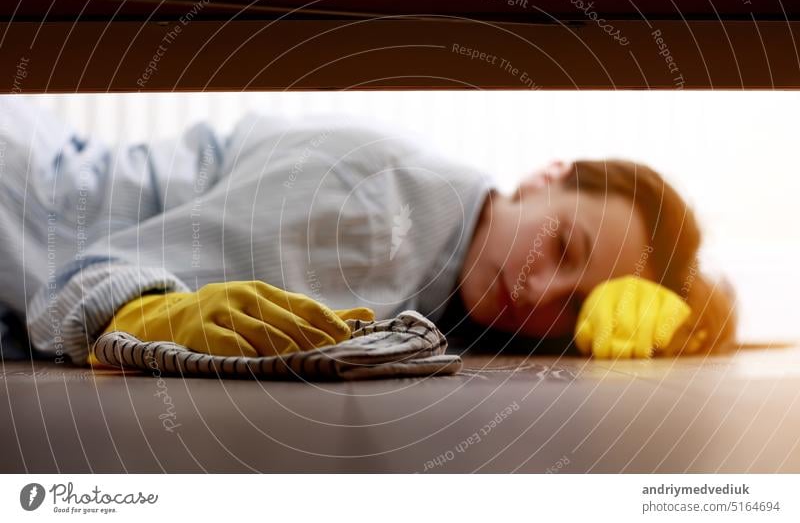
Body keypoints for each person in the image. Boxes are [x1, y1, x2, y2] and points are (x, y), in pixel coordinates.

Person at [0, 96, 735, 365]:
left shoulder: (452, 275)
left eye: (577, 304)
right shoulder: (369, 210)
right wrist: (148, 309)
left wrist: (698, 314)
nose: (539, 289)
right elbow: (83, 281)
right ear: (546, 176)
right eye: (563, 246)